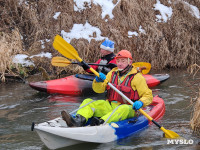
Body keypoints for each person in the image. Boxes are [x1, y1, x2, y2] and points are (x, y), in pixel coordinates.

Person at [61, 50, 153, 127]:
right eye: (118, 61)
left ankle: (100, 122)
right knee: (88, 101)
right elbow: (98, 90)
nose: (120, 64)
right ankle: (78, 121)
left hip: (129, 109)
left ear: (130, 62)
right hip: (110, 106)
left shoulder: (137, 77)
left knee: (123, 108)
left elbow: (148, 95)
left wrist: (141, 102)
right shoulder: (112, 73)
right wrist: (98, 81)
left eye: (123, 61)